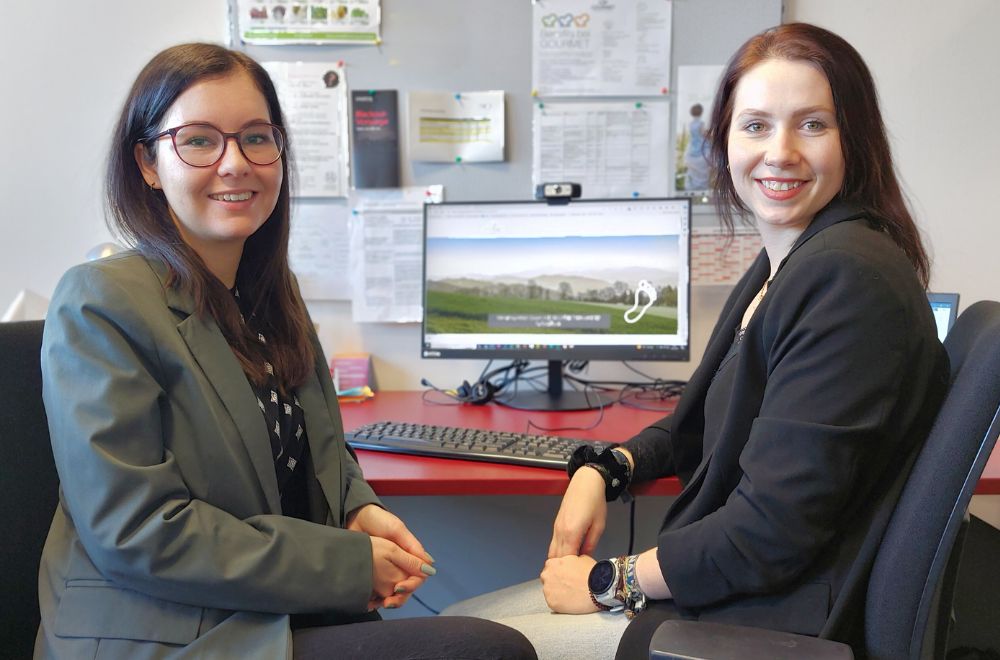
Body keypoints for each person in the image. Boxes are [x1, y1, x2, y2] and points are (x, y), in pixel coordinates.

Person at [442, 22, 950, 660]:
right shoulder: (790, 264)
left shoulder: (847, 278)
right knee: (462, 623)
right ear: (726, 140)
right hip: (737, 593)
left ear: (856, 139)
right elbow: (697, 425)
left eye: (813, 124)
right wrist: (605, 468)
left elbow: (771, 531)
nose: (781, 152)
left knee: (461, 642)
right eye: (757, 125)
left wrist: (611, 581)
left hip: (768, 620)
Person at [35, 43, 536, 660]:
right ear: (146, 162)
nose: (234, 162)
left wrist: (357, 509)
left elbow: (321, 449)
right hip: (165, 629)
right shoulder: (101, 301)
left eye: (255, 137)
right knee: (484, 651)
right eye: (198, 140)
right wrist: (348, 565)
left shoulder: (270, 291)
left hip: (268, 604)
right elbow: (136, 530)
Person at [682, 103, 710, 190]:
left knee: (694, 171)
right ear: (701, 113)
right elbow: (703, 134)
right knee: (703, 169)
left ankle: (694, 184)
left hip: (692, 146)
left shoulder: (691, 124)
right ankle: (701, 185)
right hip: (700, 147)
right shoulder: (700, 124)